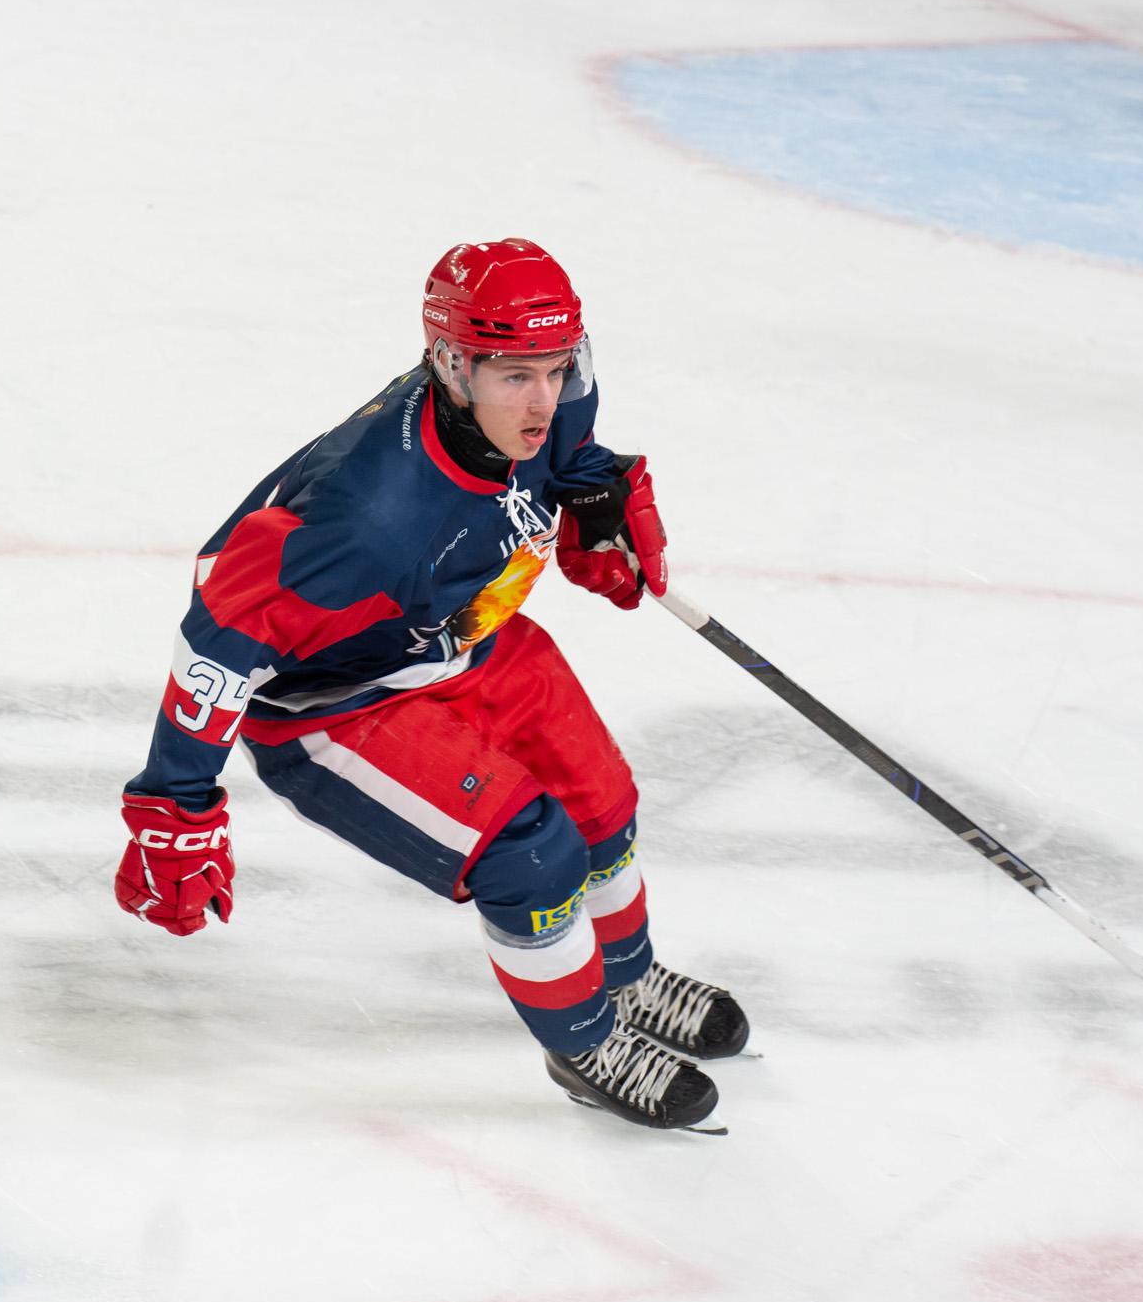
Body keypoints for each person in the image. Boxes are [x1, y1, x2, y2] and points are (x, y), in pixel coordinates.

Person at [117, 238, 748, 1131]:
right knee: (531, 857)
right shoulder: (368, 517)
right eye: (516, 377)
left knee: (598, 798)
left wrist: (595, 494)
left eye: (558, 368)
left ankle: (627, 977)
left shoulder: (551, 393)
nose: (544, 400)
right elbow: (218, 644)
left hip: (463, 636)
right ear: (452, 365)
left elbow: (565, 452)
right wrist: (175, 805)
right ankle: (585, 1043)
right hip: (337, 706)